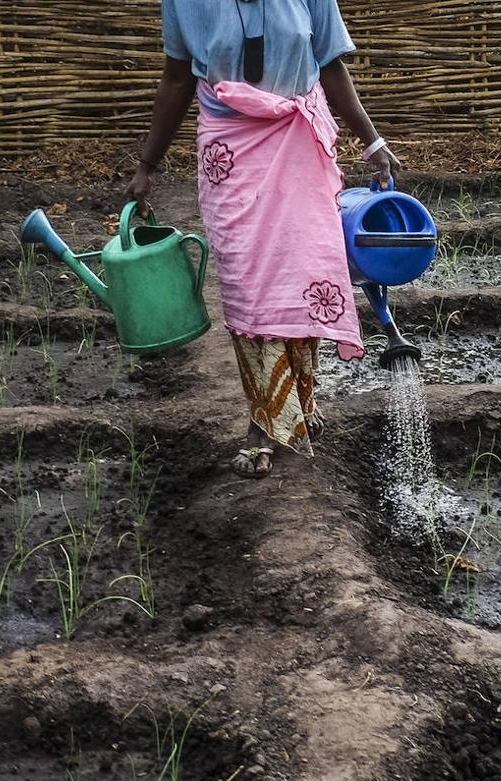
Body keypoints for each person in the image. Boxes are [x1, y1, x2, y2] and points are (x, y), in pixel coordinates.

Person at [129, 0, 401, 478]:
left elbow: (329, 64)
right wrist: (147, 166)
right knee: (249, 289)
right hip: (231, 152)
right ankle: (266, 418)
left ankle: (294, 408)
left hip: (298, 142)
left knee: (303, 276)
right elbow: (176, 79)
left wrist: (372, 140)